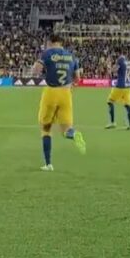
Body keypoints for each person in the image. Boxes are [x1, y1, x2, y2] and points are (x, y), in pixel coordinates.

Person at [32, 36, 86, 171]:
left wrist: (41, 68)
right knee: (66, 130)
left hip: (51, 92)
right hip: (66, 93)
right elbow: (77, 78)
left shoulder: (47, 53)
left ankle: (48, 164)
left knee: (46, 129)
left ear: (51, 42)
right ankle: (74, 134)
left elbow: (36, 70)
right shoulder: (71, 56)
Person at [106, 54, 130, 130]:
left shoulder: (120, 60)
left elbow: (114, 70)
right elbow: (121, 71)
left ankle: (112, 123)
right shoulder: (128, 62)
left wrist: (109, 66)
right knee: (127, 105)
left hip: (120, 86)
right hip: (128, 87)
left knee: (110, 101)